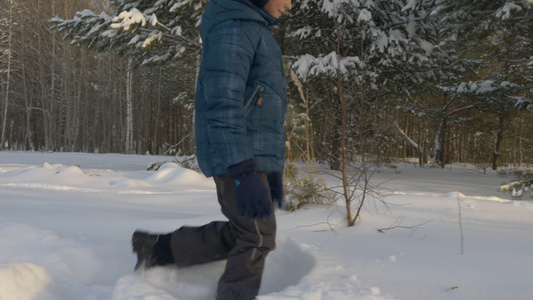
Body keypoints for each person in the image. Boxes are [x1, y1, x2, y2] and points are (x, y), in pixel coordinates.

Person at [131, 0, 292, 299]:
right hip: (238, 157)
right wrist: (242, 169)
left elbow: (261, 105)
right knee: (258, 238)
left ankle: (158, 248)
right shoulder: (236, 30)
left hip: (250, 155)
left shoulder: (254, 30)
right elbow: (223, 104)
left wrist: (271, 168)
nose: (290, 5)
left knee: (247, 232)